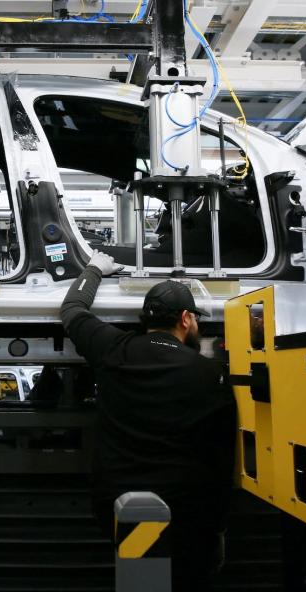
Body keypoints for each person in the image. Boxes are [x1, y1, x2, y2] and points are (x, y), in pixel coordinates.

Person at [60, 250, 236, 591]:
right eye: (196, 320)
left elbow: (72, 311)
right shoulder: (209, 374)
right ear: (186, 319)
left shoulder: (113, 350)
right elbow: (220, 461)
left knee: (140, 577)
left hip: (116, 505)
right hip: (185, 513)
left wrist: (95, 268)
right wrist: (218, 530)